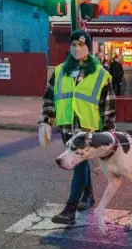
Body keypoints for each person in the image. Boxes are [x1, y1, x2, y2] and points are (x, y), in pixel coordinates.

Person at [37, 30, 116, 225]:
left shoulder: (101, 74)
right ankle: (88, 195)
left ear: (89, 47)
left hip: (88, 132)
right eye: (73, 44)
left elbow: (108, 107)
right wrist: (46, 120)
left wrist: (109, 134)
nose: (76, 48)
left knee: (79, 164)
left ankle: (70, 209)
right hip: (66, 128)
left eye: (81, 45)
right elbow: (49, 97)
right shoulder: (60, 70)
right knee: (81, 164)